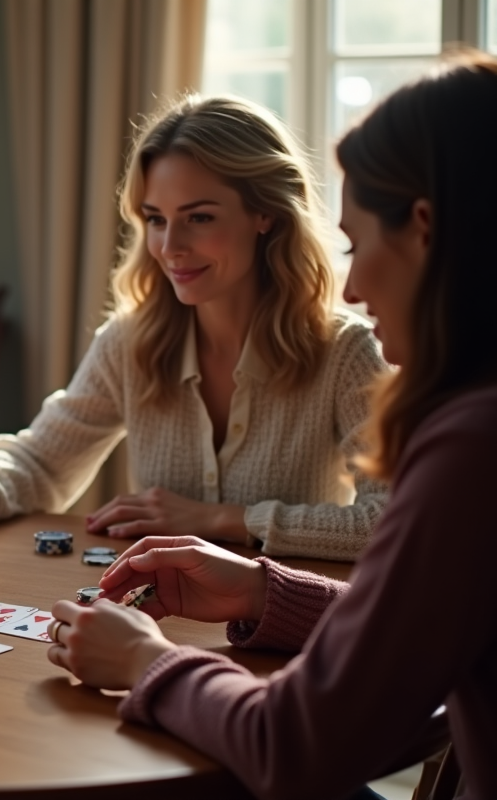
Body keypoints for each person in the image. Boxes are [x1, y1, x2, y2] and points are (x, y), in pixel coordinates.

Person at [47, 51, 497, 800]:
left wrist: (146, 663)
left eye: (358, 245)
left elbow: (295, 746)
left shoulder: (471, 446)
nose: (352, 283)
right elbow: (424, 612)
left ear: (422, 229)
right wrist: (263, 590)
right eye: (156, 221)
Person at [0, 94, 388, 561]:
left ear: (265, 213)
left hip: (284, 632)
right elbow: (44, 462)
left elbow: (389, 520)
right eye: (156, 219)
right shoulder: (130, 341)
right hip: (157, 622)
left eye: (199, 217)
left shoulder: (345, 351)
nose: (170, 246)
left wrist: (223, 520)